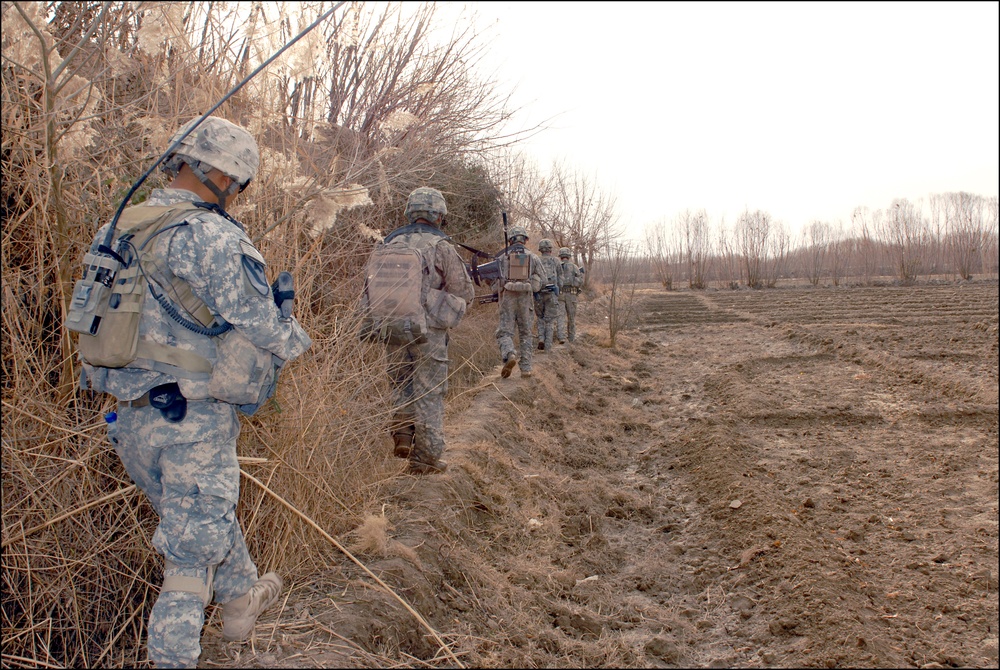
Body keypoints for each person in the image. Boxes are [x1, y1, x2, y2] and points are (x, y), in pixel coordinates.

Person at [75, 116, 312, 668]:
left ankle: (239, 606)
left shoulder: (119, 227)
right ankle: (174, 657)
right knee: (188, 556)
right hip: (192, 421)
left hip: (130, 419)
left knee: (200, 519)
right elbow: (260, 323)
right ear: (224, 177)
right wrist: (294, 336)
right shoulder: (211, 235)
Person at [380, 187, 474, 474]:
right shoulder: (442, 246)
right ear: (439, 215)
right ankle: (426, 459)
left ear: (410, 211)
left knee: (399, 383)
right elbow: (463, 291)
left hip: (392, 323)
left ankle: (403, 435)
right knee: (429, 391)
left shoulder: (388, 242)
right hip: (429, 330)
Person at [495, 226, 544, 378]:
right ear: (526, 240)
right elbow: (543, 279)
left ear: (510, 240)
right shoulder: (533, 257)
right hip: (526, 299)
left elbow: (494, 280)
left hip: (507, 298)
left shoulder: (502, 257)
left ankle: (510, 354)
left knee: (504, 332)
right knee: (526, 333)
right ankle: (526, 369)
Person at [534, 238, 562, 352]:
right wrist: (558, 291)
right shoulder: (555, 261)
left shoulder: (536, 260)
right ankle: (548, 347)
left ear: (540, 249)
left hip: (538, 294)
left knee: (540, 318)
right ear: (550, 249)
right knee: (550, 321)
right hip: (551, 294)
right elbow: (561, 278)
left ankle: (541, 338)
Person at [556, 246, 584, 343]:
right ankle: (571, 338)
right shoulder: (574, 267)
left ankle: (561, 337)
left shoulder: (557, 266)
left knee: (560, 316)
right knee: (571, 317)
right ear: (568, 256)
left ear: (560, 256)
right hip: (571, 295)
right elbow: (580, 281)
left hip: (560, 294)